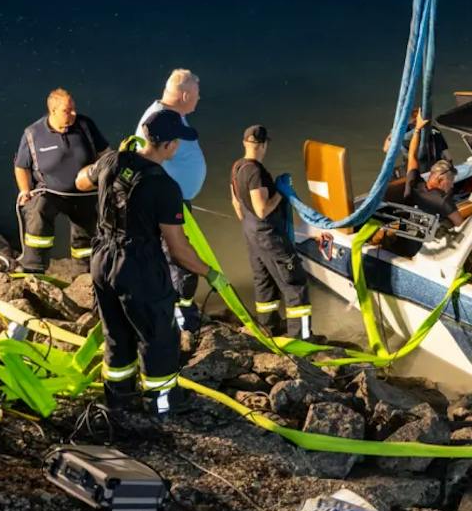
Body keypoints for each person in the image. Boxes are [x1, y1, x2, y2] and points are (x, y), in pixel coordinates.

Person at [75, 109, 219, 419]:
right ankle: (162, 402)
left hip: (101, 259)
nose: (178, 147)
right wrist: (209, 273)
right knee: (158, 336)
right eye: (177, 142)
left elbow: (80, 181)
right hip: (138, 265)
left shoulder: (112, 160)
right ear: (168, 145)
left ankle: (119, 398)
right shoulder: (164, 187)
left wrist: (115, 166)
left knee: (116, 330)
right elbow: (178, 250)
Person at [137, 69, 206, 330]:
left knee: (178, 259)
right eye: (197, 96)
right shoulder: (158, 121)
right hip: (167, 205)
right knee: (181, 259)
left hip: (176, 201)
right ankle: (181, 319)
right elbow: (146, 161)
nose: (199, 100)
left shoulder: (169, 117)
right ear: (185, 94)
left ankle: (182, 309)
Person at [229, 124, 312, 339]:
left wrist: (252, 229)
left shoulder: (237, 167)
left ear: (245, 143)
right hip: (268, 235)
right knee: (295, 283)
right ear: (264, 145)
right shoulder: (255, 171)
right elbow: (262, 209)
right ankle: (301, 338)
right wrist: (281, 192)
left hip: (251, 232)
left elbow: (237, 205)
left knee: (264, 281)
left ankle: (269, 328)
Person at [12, 88, 106, 272]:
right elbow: (21, 166)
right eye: (67, 111)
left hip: (85, 193)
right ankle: (33, 268)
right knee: (38, 212)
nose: (73, 114)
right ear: (52, 111)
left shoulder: (85, 126)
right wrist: (24, 190)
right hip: (50, 192)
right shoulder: (33, 134)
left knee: (86, 233)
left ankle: (84, 272)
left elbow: (105, 154)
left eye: (74, 109)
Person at [402, 113, 466, 228]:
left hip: (410, 228)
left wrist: (417, 130)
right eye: (450, 181)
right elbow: (461, 226)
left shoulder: (413, 184)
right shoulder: (443, 201)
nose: (451, 186)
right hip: (431, 238)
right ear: (441, 179)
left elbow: (412, 155)